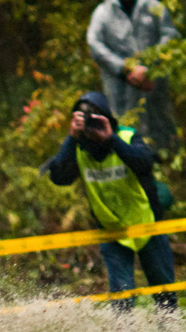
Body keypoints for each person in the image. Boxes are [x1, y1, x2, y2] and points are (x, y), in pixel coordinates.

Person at [47, 91, 176, 310]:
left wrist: (111, 139)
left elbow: (145, 164)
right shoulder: (78, 147)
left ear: (107, 117)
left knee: (164, 293)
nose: (92, 125)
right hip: (112, 230)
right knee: (121, 300)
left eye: (96, 118)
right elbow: (59, 177)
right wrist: (71, 137)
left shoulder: (126, 136)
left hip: (147, 223)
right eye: (86, 120)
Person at [88, 0, 179, 153]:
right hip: (120, 89)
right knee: (125, 132)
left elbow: (170, 35)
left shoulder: (154, 7)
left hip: (154, 84)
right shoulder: (103, 13)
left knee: (163, 134)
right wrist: (125, 68)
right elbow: (95, 45)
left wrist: (150, 67)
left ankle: (168, 160)